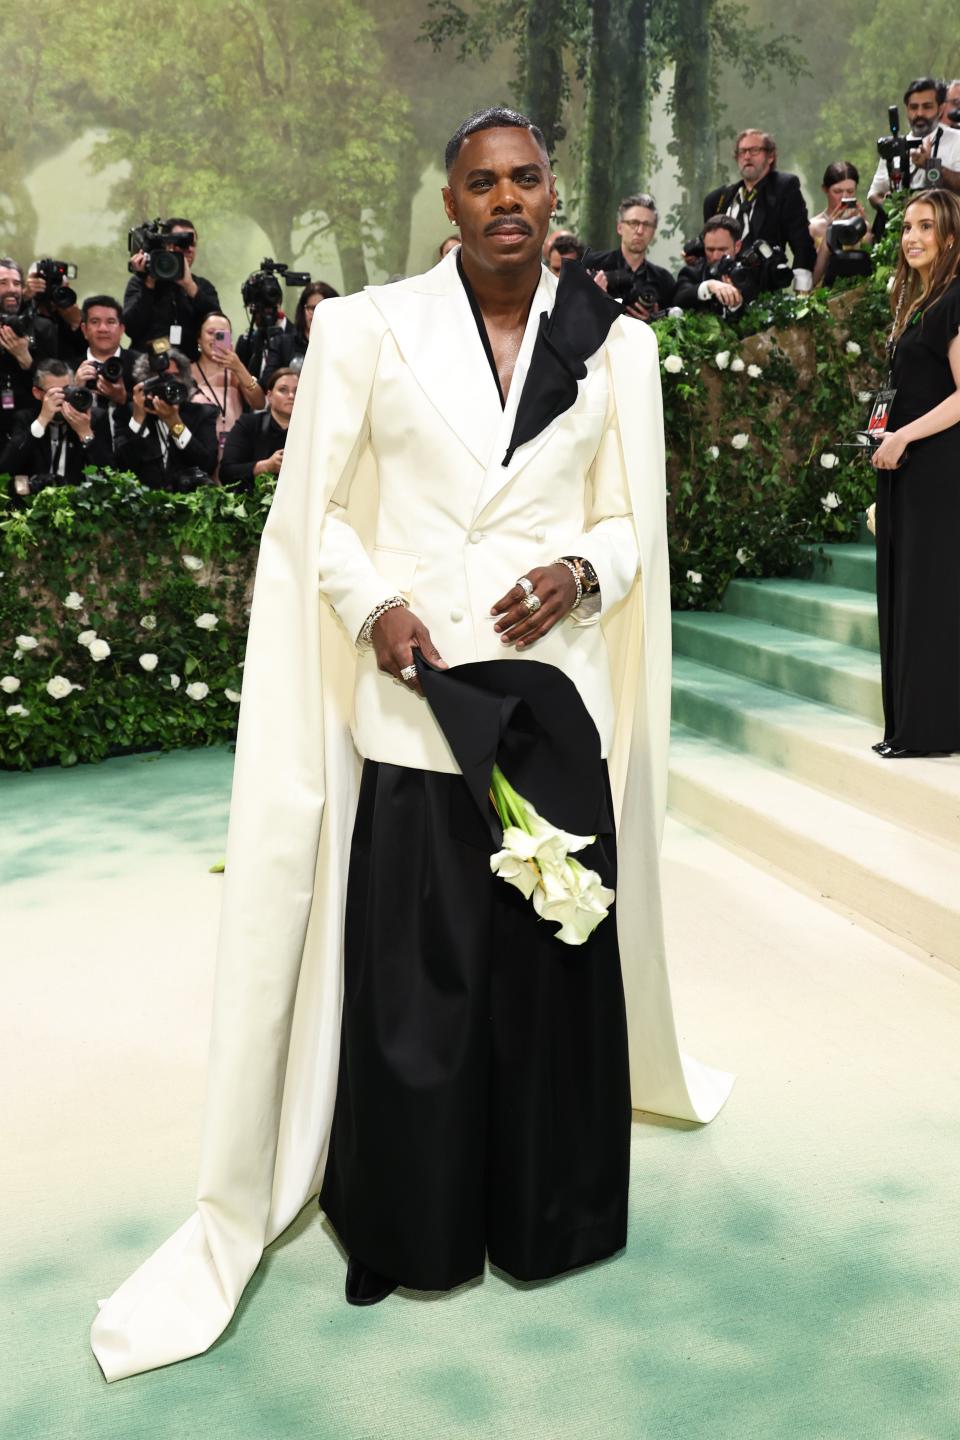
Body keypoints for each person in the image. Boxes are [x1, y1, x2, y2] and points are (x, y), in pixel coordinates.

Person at [90, 104, 731, 1383]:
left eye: (528, 179)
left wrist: (578, 570)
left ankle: (550, 1215)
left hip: (551, 700)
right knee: (420, 986)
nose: (507, 200)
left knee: (548, 975)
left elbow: (631, 522)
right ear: (451, 207)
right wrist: (370, 605)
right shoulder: (365, 330)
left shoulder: (620, 352)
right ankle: (406, 1223)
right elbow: (313, 514)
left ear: (556, 198)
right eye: (482, 183)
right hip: (416, 695)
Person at [870, 188, 960, 759]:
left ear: (949, 237)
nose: (911, 237)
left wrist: (903, 435)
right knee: (907, 596)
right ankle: (909, 726)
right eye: (906, 226)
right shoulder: (915, 302)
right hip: (905, 470)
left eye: (925, 227)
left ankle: (927, 731)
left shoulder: (954, 300)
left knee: (929, 599)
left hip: (937, 474)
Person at [703, 130, 816, 293]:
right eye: (742, 152)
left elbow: (802, 244)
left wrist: (802, 293)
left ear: (770, 157)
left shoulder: (783, 188)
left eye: (754, 150)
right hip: (722, 290)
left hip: (764, 291)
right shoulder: (718, 198)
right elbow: (709, 248)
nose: (747, 157)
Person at [0, 357, 113, 499]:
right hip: (33, 506)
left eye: (67, 390)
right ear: (37, 393)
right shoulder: (26, 419)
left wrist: (85, 434)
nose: (62, 398)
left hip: (79, 506)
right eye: (54, 393)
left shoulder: (94, 418)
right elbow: (6, 470)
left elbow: (110, 476)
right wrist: (42, 421)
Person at [113, 348, 218, 490]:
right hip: (143, 503)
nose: (170, 384)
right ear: (145, 381)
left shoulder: (202, 413)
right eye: (162, 377)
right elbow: (123, 466)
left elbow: (207, 466)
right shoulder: (127, 412)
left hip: (189, 504)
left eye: (175, 376)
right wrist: (138, 419)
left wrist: (175, 423)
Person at [123, 218, 221, 361]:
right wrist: (149, 284)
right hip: (147, 366)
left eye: (192, 244)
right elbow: (131, 328)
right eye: (182, 243)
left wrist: (190, 286)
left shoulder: (202, 286)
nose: (189, 249)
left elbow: (219, 327)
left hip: (190, 367)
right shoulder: (140, 283)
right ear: (167, 246)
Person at [868, 78, 960, 209]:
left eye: (927, 107)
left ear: (940, 109)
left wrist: (930, 166)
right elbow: (874, 194)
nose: (919, 113)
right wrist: (895, 211)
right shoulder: (895, 145)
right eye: (914, 107)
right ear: (906, 109)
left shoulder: (957, 140)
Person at [583, 193, 677, 318]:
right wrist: (597, 300)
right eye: (633, 223)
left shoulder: (664, 280)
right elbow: (572, 316)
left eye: (647, 225)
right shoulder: (593, 265)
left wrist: (653, 322)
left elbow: (671, 330)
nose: (639, 231)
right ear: (619, 227)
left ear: (653, 232)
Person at [190, 311, 265, 464]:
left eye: (222, 334)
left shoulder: (236, 373)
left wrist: (239, 368)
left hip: (234, 451)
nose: (215, 338)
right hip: (198, 450)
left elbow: (259, 403)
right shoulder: (187, 372)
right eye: (210, 332)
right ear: (199, 338)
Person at [0, 258, 58, 441]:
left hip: (32, 429)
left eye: (17, 283)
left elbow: (56, 384)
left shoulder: (43, 327)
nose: (11, 289)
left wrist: (27, 360)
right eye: (3, 283)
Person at [219, 366, 297, 488]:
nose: (291, 396)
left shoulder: (312, 432)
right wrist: (265, 466)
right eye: (283, 390)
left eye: (297, 391)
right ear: (269, 396)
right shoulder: (248, 424)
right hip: (251, 501)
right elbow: (226, 473)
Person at [674, 216, 758, 316]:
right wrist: (709, 286)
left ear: (737, 246)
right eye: (710, 250)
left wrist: (736, 304)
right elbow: (679, 299)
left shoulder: (750, 276)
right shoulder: (692, 273)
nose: (715, 257)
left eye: (722, 250)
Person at [809, 163, 874, 287]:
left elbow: (872, 267)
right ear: (825, 190)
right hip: (822, 297)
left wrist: (865, 229)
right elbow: (810, 282)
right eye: (837, 191)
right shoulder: (813, 227)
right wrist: (830, 231)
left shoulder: (863, 224)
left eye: (850, 191)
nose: (844, 197)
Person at [72, 295, 137, 414]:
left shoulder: (140, 365)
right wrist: (74, 390)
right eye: (95, 322)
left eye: (111, 322)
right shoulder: (70, 369)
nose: (103, 328)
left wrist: (124, 398)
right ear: (84, 330)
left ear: (121, 329)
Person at [274, 281, 339, 370]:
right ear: (303, 310)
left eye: (322, 309)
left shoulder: (343, 343)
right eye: (312, 308)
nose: (316, 314)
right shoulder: (283, 343)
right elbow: (268, 380)